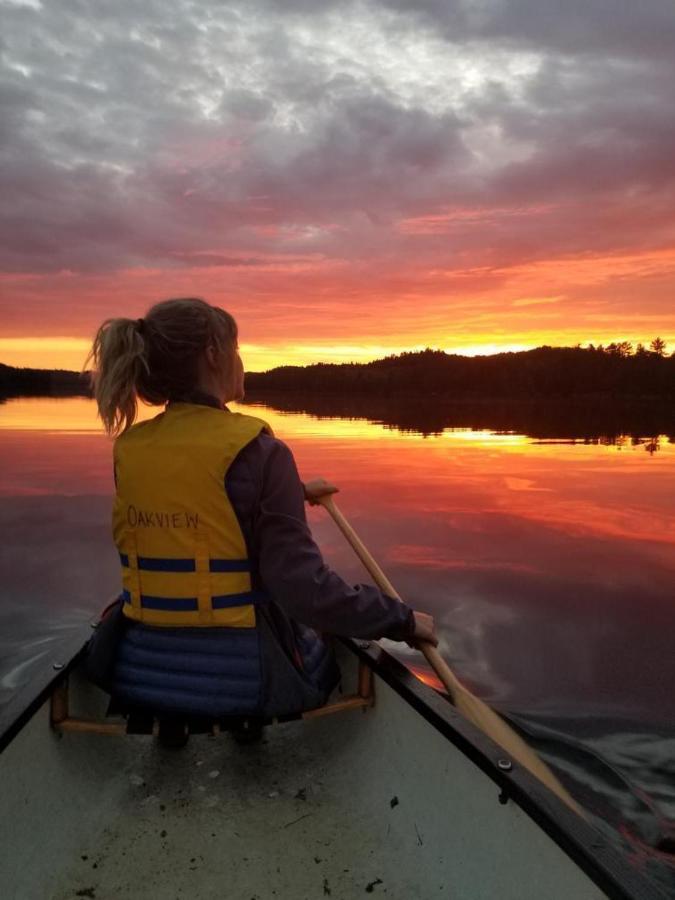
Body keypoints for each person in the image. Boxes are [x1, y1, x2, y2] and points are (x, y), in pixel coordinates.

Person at [86, 297, 437, 730]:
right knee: (322, 631)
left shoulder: (132, 449)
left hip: (136, 673)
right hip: (248, 683)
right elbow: (303, 591)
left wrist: (292, 491)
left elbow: (194, 501)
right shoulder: (261, 453)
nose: (241, 360)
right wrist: (401, 619)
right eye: (236, 347)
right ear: (213, 354)